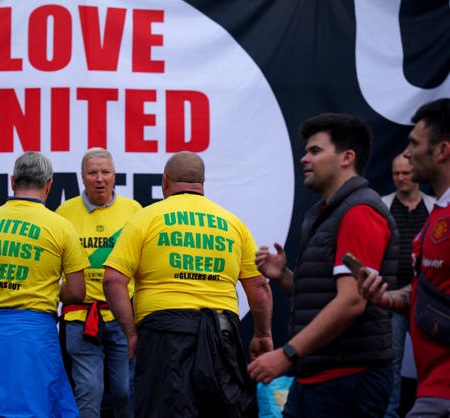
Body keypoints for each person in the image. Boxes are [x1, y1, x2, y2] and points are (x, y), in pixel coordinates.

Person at [248, 113, 399, 417]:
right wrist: (286, 277)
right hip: (317, 377)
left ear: (347, 157)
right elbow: (328, 295)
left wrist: (287, 354)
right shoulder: (328, 212)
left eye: (315, 151)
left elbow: (351, 301)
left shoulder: (359, 212)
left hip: (348, 380)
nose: (304, 159)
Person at [102, 151, 273, 418]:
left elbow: (113, 280)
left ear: (165, 181)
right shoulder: (232, 223)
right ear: (202, 182)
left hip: (163, 335)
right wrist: (262, 334)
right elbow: (259, 287)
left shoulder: (145, 218)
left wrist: (131, 333)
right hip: (221, 334)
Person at [0, 152, 89, 418]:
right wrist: (44, 288)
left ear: (13, 181)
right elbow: (78, 292)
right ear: (49, 184)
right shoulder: (60, 227)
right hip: (36, 337)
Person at [359, 98, 450, 417]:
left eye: (414, 144)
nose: (408, 154)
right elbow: (426, 289)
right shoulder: (436, 214)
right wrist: (385, 298)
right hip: (433, 386)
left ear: (441, 151)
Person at [56, 148, 141, 418]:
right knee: (88, 392)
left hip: (122, 316)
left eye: (105, 172)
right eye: (93, 173)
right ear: (82, 177)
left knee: (126, 391)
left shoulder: (134, 210)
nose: (100, 179)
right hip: (81, 317)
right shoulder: (64, 212)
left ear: (115, 175)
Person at [381, 153, 434, 418]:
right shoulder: (382, 206)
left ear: (417, 174)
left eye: (406, 173)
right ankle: (390, 415)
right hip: (391, 297)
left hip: (428, 298)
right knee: (392, 363)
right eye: (395, 173)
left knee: (433, 361)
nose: (400, 178)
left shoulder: (436, 208)